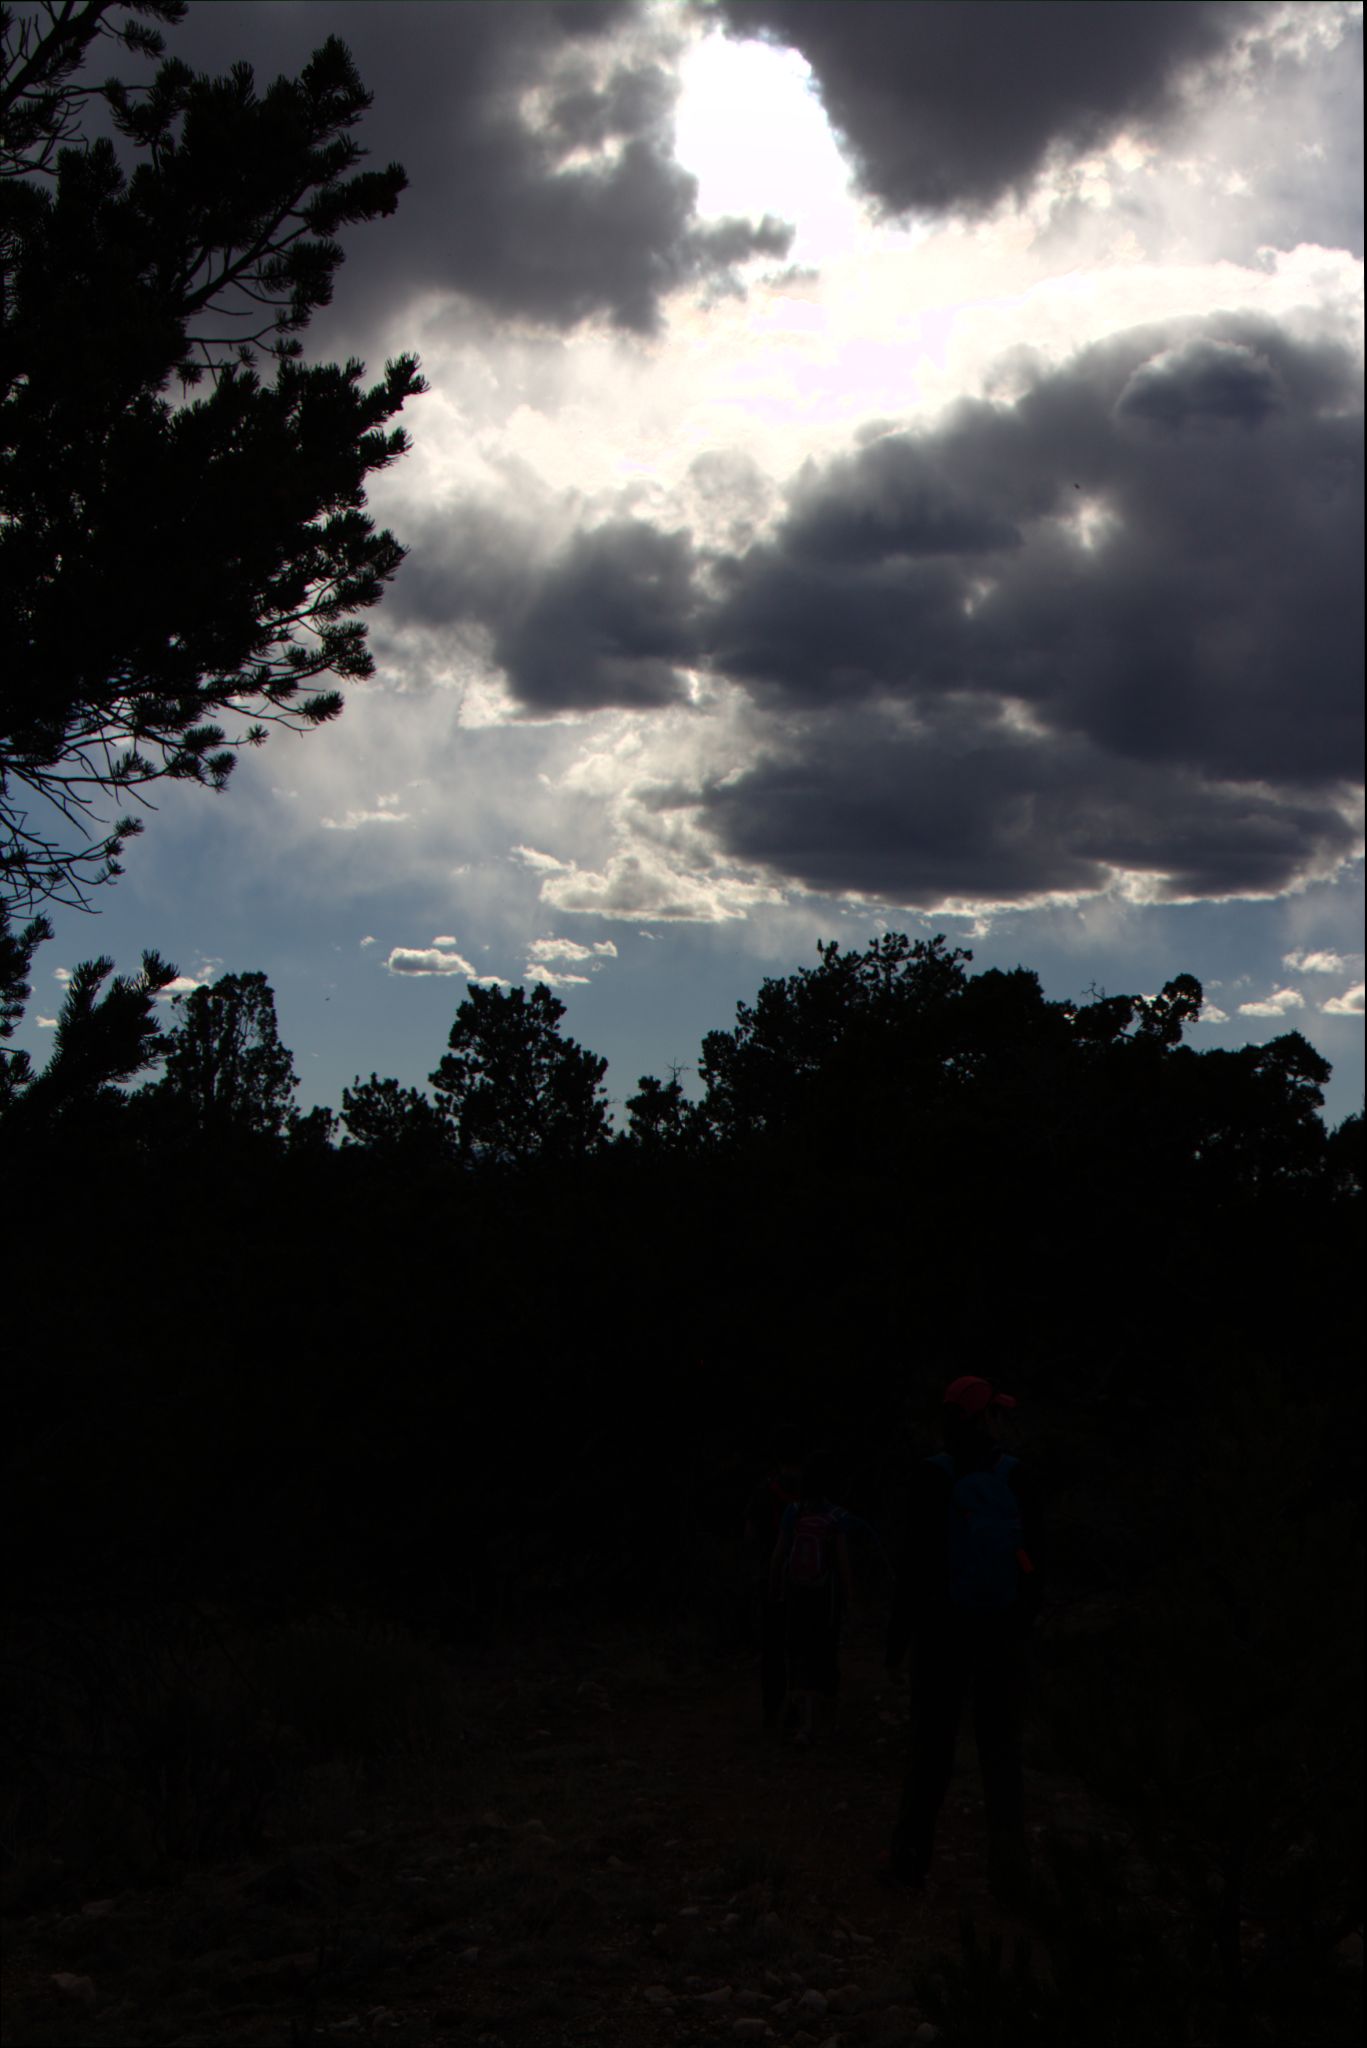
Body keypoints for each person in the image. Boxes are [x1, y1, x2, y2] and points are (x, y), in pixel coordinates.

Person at [883, 1376, 1045, 1903]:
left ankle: (909, 1861)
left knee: (931, 1748)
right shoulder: (1015, 1476)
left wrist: (897, 1638)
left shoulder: (932, 1476)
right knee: (1000, 1751)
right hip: (1000, 1633)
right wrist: (1024, 1625)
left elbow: (911, 1564)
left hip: (940, 1632)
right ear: (986, 1419)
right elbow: (1035, 1563)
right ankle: (1011, 1874)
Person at [771, 1452, 858, 1747]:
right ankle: (826, 1724)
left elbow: (779, 1553)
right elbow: (843, 1563)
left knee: (799, 1654)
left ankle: (803, 1725)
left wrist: (775, 1588)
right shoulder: (837, 1517)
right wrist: (850, 1599)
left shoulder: (793, 1512)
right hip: (825, 1595)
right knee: (825, 1652)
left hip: (797, 1592)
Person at [742, 1423, 806, 1734]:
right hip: (807, 1582)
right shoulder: (812, 1492)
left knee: (772, 1647)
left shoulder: (764, 1491)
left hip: (771, 1580)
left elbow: (750, 1535)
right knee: (801, 1647)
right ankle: (799, 1712)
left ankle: (772, 1711)